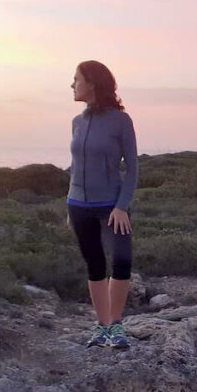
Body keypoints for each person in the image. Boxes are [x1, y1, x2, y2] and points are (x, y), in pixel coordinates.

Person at [67, 60, 138, 349]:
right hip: (78, 204)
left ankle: (117, 325)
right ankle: (102, 326)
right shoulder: (77, 122)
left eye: (76, 79)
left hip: (112, 205)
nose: (72, 85)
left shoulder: (121, 121)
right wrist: (68, 205)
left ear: (93, 83)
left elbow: (132, 168)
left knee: (121, 261)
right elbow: (75, 166)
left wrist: (122, 206)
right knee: (94, 265)